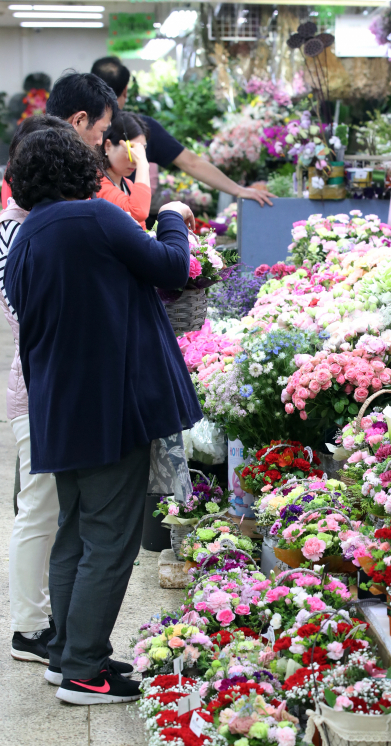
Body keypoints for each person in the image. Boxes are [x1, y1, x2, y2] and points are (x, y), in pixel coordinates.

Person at [4, 126, 202, 704]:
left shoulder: (25, 237)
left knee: (74, 532)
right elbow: (171, 268)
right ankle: (85, 673)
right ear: (78, 168)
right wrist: (172, 216)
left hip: (57, 408)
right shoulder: (93, 217)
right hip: (110, 404)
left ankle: (68, 653)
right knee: (110, 539)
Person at [0, 115, 67, 665]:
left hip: (37, 379)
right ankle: (26, 627)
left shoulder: (26, 224)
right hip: (36, 383)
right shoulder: (20, 229)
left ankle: (38, 616)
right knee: (38, 507)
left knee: (42, 504)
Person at [91, 56, 275, 207]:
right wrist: (238, 190)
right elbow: (191, 163)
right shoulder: (139, 128)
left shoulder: (76, 128)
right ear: (125, 91)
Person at [1, 72, 119, 208]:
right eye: (101, 131)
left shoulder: (25, 158)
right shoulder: (46, 165)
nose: (100, 141)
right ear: (79, 120)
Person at [98, 112, 151, 228]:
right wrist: (143, 164)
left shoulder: (128, 185)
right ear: (108, 146)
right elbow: (138, 213)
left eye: (142, 150)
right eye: (131, 149)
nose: (136, 159)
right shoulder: (97, 183)